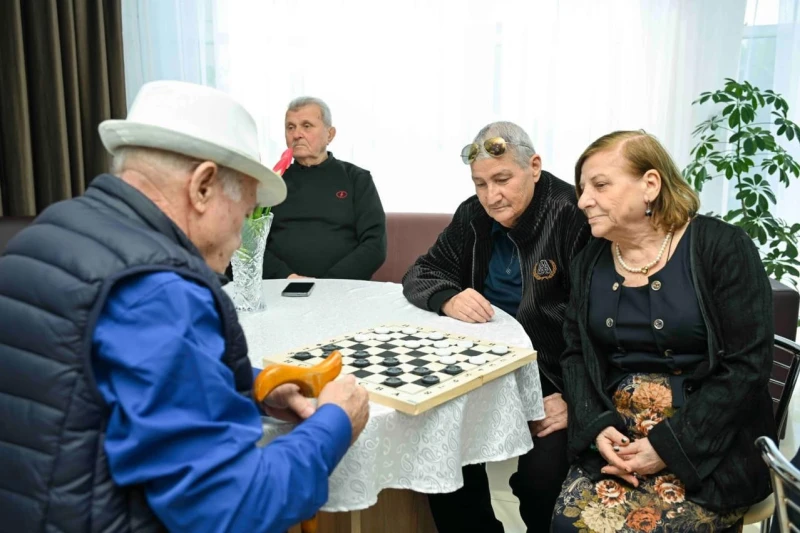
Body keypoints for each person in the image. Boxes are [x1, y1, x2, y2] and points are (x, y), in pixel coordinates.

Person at [0, 80, 370, 533]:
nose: (240, 237)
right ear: (203, 186)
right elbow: (230, 510)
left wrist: (250, 385)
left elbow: (104, 382)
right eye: (246, 210)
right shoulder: (161, 289)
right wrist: (335, 422)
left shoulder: (45, 234)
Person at [552, 130, 777, 532]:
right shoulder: (590, 260)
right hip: (620, 435)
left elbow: (748, 368)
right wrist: (596, 426)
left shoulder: (721, 247)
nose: (583, 200)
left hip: (710, 441)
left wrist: (668, 447)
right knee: (570, 525)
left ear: (650, 185)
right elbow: (575, 354)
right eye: (582, 188)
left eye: (600, 185)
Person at [402, 121, 591, 532]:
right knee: (439, 450)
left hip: (552, 377)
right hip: (479, 369)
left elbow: (594, 322)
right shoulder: (473, 214)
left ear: (535, 166)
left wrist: (575, 396)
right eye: (481, 183)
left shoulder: (572, 214)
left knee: (539, 481)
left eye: (502, 179)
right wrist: (448, 297)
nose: (491, 196)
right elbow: (422, 272)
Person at [262, 96, 387, 280]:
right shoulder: (271, 182)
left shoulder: (357, 179)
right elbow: (250, 244)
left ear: (330, 134)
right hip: (281, 287)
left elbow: (375, 245)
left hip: (343, 290)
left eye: (306, 126)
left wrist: (329, 283)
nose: (297, 134)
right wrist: (288, 277)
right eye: (290, 127)